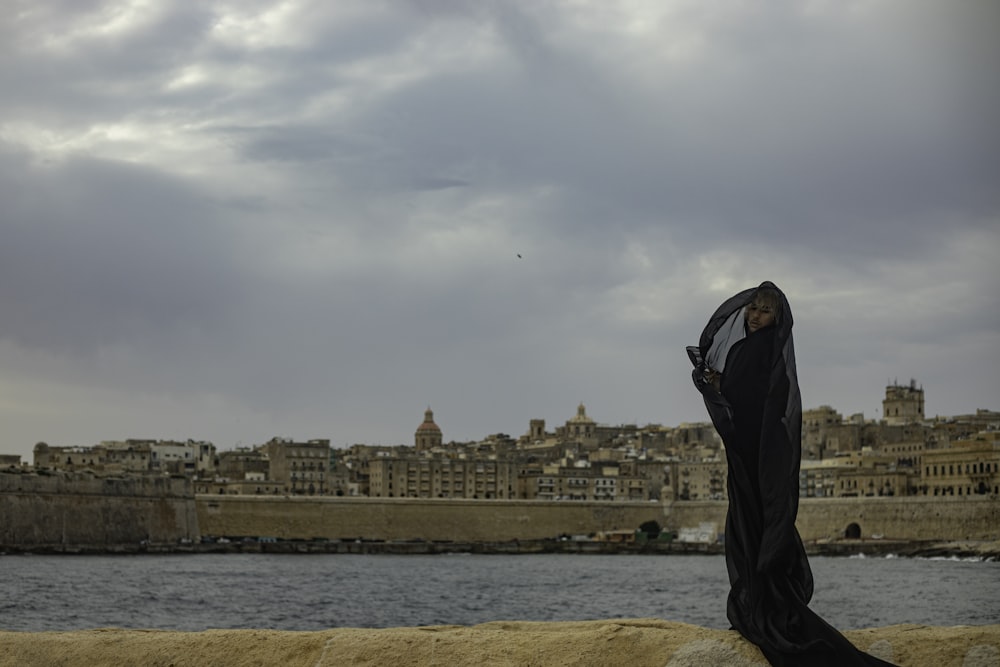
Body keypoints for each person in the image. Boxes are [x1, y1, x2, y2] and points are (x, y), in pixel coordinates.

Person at [687, 281, 896, 667]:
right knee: (754, 527)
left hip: (757, 457)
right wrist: (718, 383)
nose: (754, 316)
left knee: (752, 529)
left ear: (777, 317)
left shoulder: (762, 349)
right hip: (755, 455)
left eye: (764, 311)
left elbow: (750, 400)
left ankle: (762, 610)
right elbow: (746, 396)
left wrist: (716, 383)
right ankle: (762, 606)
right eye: (752, 308)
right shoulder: (760, 350)